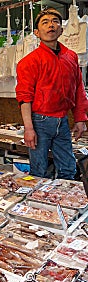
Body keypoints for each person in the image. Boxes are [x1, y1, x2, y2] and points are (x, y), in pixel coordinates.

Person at [16, 7, 88, 180]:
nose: (51, 26)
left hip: (63, 120)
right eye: (45, 22)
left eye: (55, 21)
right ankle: (38, 206)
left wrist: (79, 119)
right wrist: (29, 128)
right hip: (40, 121)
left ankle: (67, 204)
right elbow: (24, 98)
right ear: (37, 32)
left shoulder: (71, 57)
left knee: (68, 169)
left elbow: (79, 89)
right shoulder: (28, 62)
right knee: (38, 172)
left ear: (61, 30)